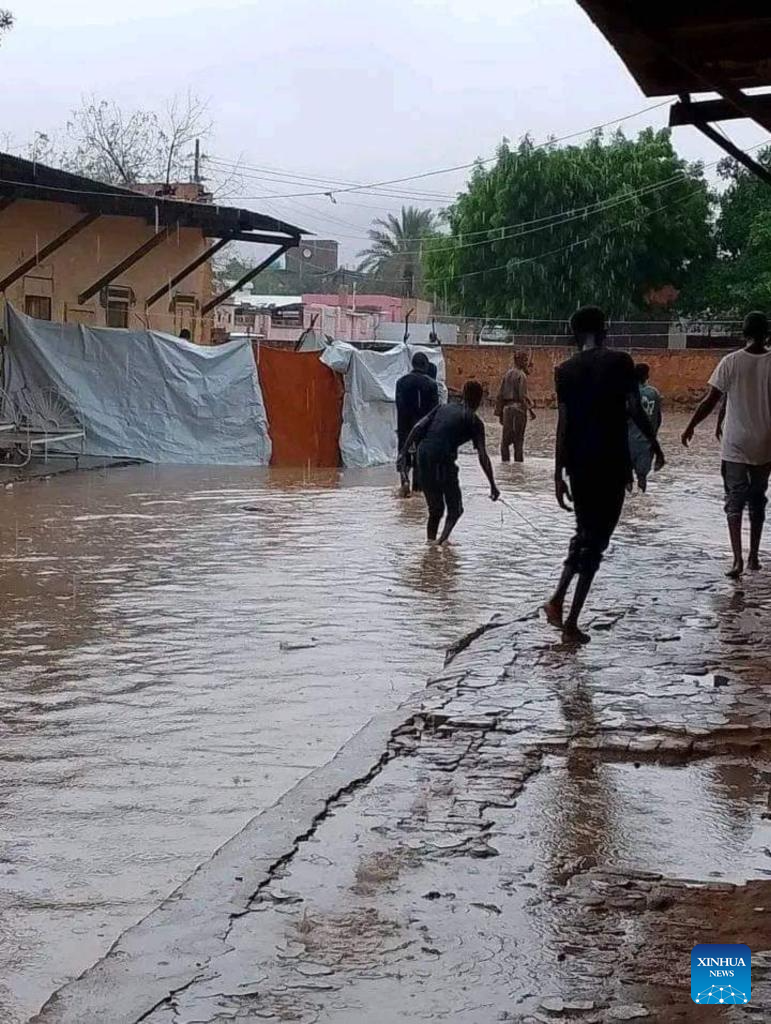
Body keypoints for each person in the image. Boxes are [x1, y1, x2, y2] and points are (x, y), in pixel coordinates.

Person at [543, 306, 665, 644]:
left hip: (579, 463)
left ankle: (557, 599)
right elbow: (634, 409)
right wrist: (654, 445)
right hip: (612, 461)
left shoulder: (564, 371)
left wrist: (557, 472)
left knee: (584, 533)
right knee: (596, 542)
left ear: (574, 334)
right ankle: (570, 620)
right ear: (605, 330)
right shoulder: (620, 362)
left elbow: (563, 424)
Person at [682, 311, 771, 579]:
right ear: (767, 333)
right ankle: (755, 555)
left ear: (743, 333)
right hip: (766, 443)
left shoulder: (730, 362)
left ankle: (737, 560)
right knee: (758, 499)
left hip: (735, 444)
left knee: (734, 500)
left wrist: (690, 426)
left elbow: (711, 400)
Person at [398, 380, 499, 545]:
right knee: (456, 509)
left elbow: (417, 428)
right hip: (443, 458)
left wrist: (403, 452)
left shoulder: (442, 407)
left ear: (462, 395)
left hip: (422, 455)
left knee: (435, 509)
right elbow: (483, 456)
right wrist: (493, 485)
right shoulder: (475, 422)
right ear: (480, 400)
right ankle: (441, 542)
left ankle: (430, 545)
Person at [395, 351, 439, 495]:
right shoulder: (432, 384)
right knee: (420, 461)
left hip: (405, 427)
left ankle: (405, 482)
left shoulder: (401, 382)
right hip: (424, 429)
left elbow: (399, 406)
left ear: (413, 364)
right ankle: (418, 490)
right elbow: (434, 411)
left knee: (404, 457)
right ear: (425, 366)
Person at [495, 350, 536, 463]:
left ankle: (505, 464)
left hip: (507, 410)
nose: (526, 363)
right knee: (518, 442)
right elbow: (522, 396)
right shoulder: (521, 375)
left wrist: (499, 414)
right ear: (518, 361)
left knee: (505, 442)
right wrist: (531, 411)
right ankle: (518, 467)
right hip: (518, 411)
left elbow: (500, 395)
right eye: (525, 360)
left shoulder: (507, 374)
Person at [627, 363, 662, 492]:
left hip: (627, 442)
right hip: (646, 444)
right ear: (647, 376)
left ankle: (629, 507)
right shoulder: (654, 393)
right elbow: (658, 419)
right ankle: (641, 505)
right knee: (642, 477)